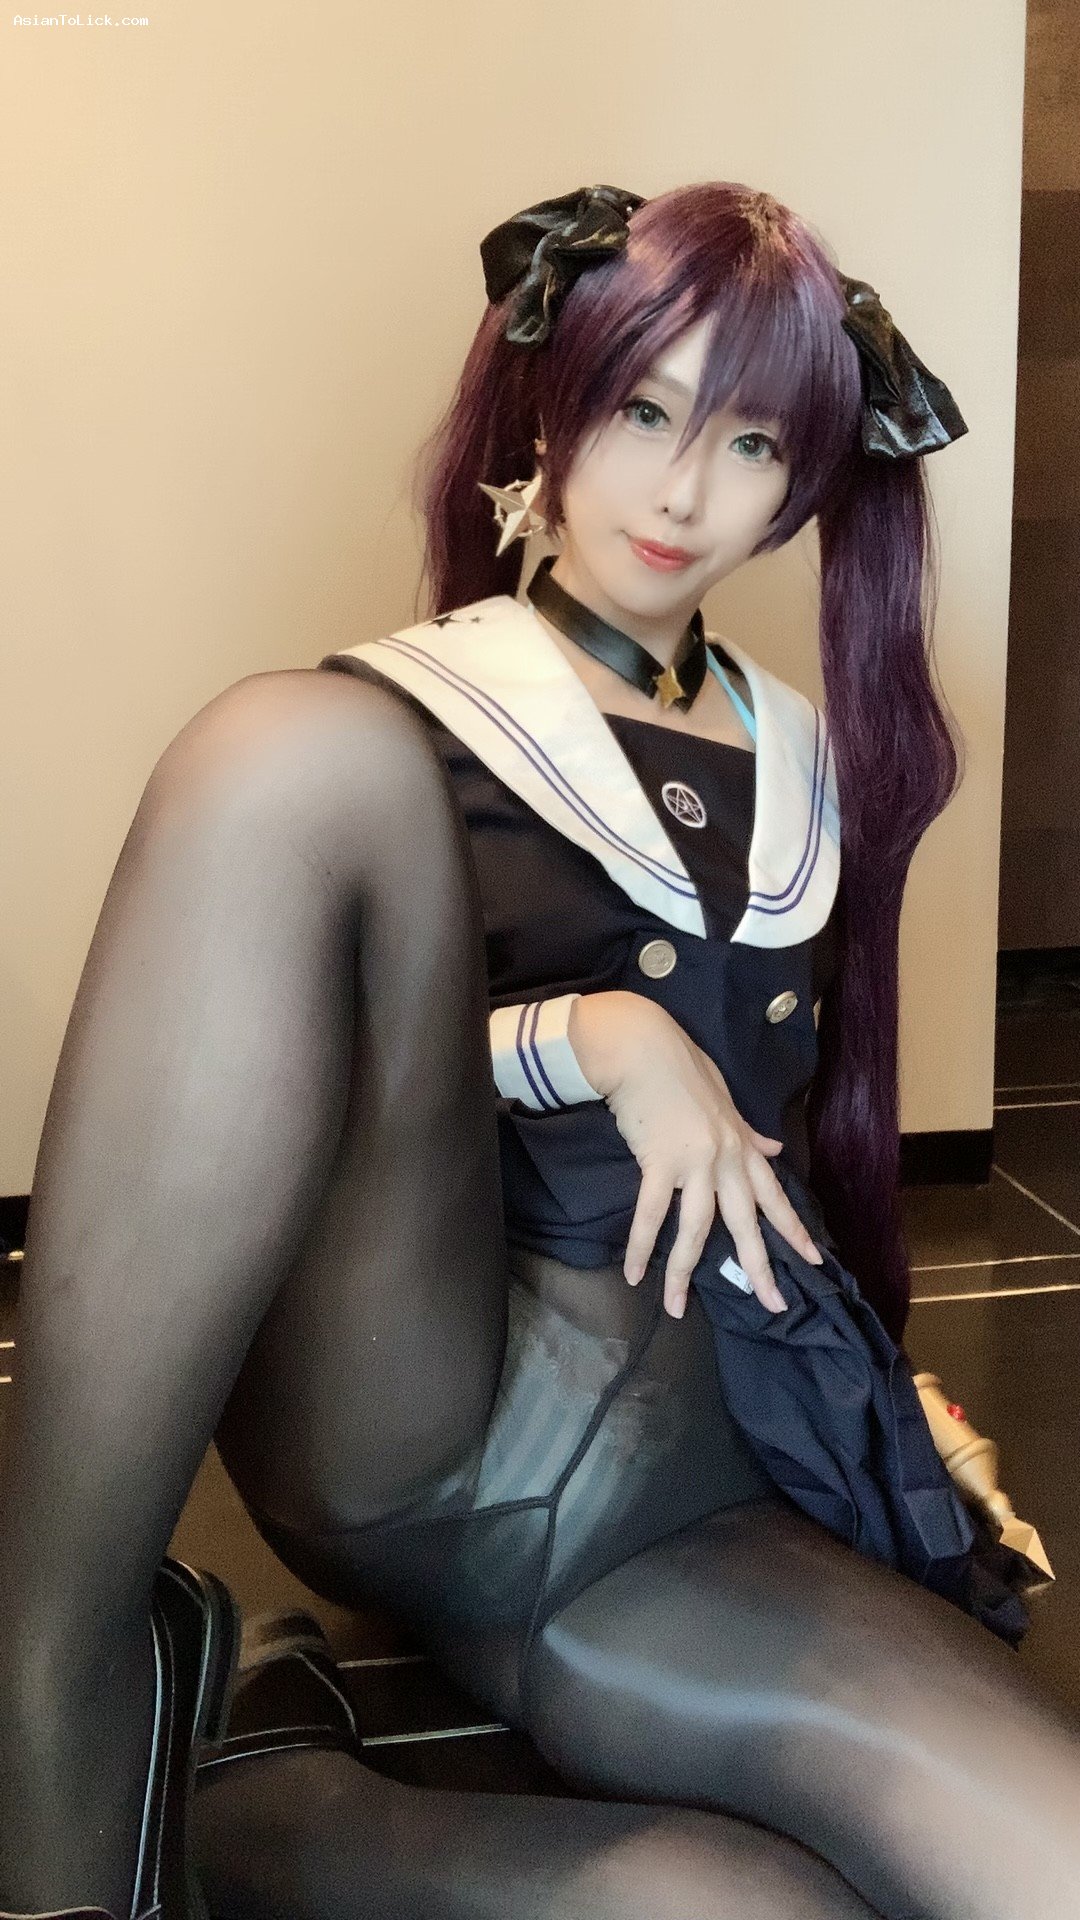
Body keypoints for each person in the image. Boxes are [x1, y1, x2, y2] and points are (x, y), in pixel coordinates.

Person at [2, 180, 1079, 1920]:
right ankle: (57, 1683)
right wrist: (596, 1035)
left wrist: (901, 1401)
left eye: (749, 443)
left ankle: (264, 1818)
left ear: (806, 479)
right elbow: (347, 1084)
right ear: (554, 406)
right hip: (419, 1393)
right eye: (644, 411)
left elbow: (794, 1137)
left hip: (682, 1496)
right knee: (291, 751)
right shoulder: (401, 726)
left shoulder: (808, 758)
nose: (680, 491)